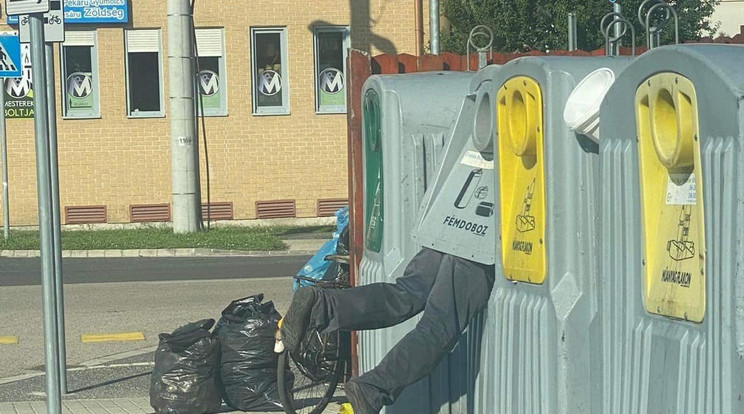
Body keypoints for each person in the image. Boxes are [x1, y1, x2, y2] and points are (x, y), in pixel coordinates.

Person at [281, 247, 495, 414]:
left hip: (445, 225)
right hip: (480, 243)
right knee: (438, 329)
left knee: (406, 293)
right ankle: (373, 388)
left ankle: (322, 305)